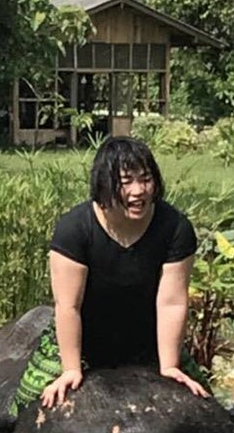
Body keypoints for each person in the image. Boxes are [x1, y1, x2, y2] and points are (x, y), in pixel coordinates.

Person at [11, 137, 210, 415]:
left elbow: (172, 303)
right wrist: (71, 369)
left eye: (146, 179)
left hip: (148, 343)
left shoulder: (175, 227)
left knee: (207, 405)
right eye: (126, 182)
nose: (138, 191)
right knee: (24, 406)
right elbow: (68, 307)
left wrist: (169, 366)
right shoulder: (74, 229)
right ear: (104, 184)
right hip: (82, 343)